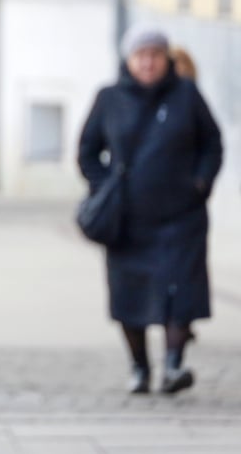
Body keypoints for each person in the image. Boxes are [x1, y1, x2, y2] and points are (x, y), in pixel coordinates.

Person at [77, 24, 222, 395]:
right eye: (141, 55)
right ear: (129, 60)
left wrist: (200, 183)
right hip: (128, 221)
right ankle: (140, 368)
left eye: (155, 55)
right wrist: (106, 186)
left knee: (180, 293)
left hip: (181, 218)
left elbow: (212, 143)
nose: (148, 62)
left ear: (167, 60)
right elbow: (87, 151)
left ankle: (173, 366)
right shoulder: (109, 98)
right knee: (131, 294)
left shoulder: (186, 95)